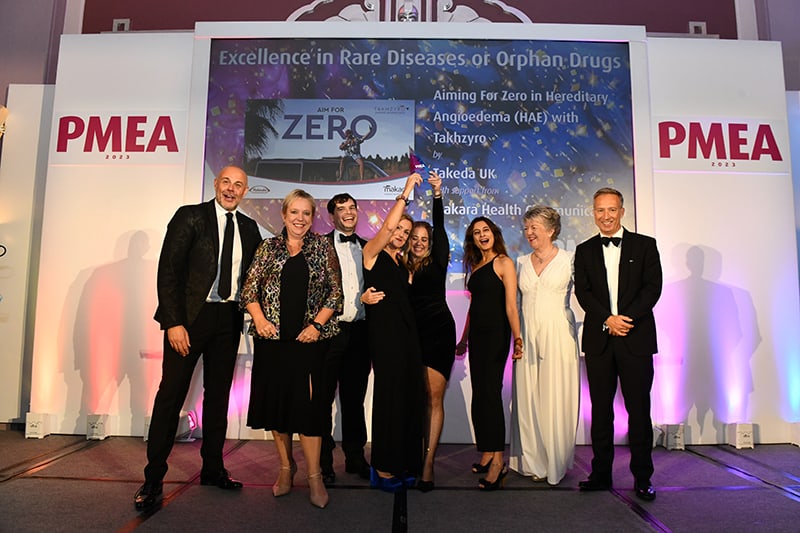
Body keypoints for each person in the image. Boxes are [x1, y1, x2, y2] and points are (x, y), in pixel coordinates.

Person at [134, 166, 262, 510]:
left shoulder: (249, 228)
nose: (231, 189)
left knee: (218, 399)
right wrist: (174, 323)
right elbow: (169, 272)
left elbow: (256, 277)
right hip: (190, 319)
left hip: (228, 319)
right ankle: (153, 479)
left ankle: (213, 469)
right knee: (170, 396)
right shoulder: (190, 216)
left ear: (245, 191)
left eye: (239, 185)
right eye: (226, 182)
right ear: (216, 184)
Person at [241, 189, 343, 509]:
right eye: (294, 212)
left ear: (313, 218)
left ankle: (314, 476)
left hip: (309, 344)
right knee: (278, 410)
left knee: (309, 412)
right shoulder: (267, 248)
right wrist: (259, 320)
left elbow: (335, 294)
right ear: (284, 215)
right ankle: (286, 468)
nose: (300, 218)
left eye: (306, 213)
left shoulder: (322, 247)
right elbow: (249, 290)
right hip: (272, 343)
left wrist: (316, 326)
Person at [573, 187, 662, 502]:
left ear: (622, 211)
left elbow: (652, 288)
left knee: (639, 411)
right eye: (600, 210)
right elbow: (583, 293)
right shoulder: (584, 250)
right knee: (600, 412)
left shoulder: (645, 245)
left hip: (635, 339)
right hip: (600, 340)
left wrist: (625, 319)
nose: (606, 216)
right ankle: (600, 474)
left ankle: (643, 478)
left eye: (612, 209)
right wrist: (607, 319)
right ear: (593, 213)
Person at [362, 172, 425, 490]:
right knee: (389, 398)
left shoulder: (402, 263)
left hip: (407, 337)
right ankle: (383, 468)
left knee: (407, 398)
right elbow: (386, 229)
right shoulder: (371, 252)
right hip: (385, 337)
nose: (400, 234)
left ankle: (402, 463)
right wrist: (406, 192)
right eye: (398, 228)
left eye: (406, 232)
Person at [508, 206, 580, 485]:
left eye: (534, 227)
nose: (529, 232)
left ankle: (555, 461)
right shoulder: (520, 262)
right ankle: (533, 461)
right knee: (528, 398)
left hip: (559, 334)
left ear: (551, 230)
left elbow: (590, 294)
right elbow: (513, 304)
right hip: (527, 335)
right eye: (526, 228)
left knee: (556, 396)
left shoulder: (569, 260)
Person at [456, 217, 522, 491]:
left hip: (496, 337)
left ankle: (498, 461)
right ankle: (486, 451)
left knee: (491, 396)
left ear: (494, 233)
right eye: (476, 232)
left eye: (486, 230)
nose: (482, 235)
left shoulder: (504, 262)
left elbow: (511, 306)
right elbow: (474, 307)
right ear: (472, 239)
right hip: (478, 338)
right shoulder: (475, 265)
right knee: (480, 395)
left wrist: (518, 338)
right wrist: (464, 338)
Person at [405, 172, 456, 492]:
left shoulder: (437, 263)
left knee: (433, 400)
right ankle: (412, 456)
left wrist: (437, 194)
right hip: (411, 339)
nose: (420, 242)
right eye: (415, 238)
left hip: (438, 334)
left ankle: (428, 464)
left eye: (425, 239)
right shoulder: (399, 266)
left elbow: (439, 226)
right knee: (414, 400)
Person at [318, 193, 372, 484]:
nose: (349, 212)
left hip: (360, 333)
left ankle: (355, 457)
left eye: (352, 207)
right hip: (328, 333)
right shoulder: (319, 246)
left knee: (354, 399)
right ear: (332, 216)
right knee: (323, 399)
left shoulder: (368, 248)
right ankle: (323, 462)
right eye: (342, 208)